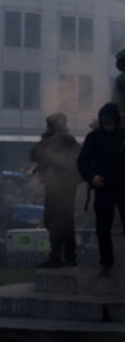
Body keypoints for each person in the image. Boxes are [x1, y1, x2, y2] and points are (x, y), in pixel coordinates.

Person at [77, 103, 125, 277]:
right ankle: (106, 263)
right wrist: (92, 177)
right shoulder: (93, 138)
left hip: (124, 187)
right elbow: (83, 162)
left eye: (111, 123)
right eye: (105, 123)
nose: (109, 127)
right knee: (103, 228)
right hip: (103, 187)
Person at [28, 114, 80, 268]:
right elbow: (33, 155)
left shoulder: (67, 140)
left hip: (64, 187)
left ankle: (67, 256)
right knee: (53, 222)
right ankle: (58, 256)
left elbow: (75, 159)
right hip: (53, 186)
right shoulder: (50, 140)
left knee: (64, 222)